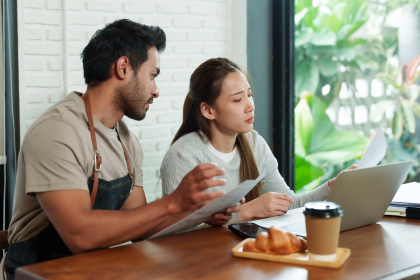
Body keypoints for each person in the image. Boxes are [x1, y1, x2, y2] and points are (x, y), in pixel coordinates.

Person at [1, 20, 241, 279]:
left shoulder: (125, 140)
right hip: (35, 273)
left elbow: (141, 226)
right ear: (123, 67)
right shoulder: (57, 131)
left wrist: (200, 213)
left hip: (92, 270)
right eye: (152, 75)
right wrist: (174, 202)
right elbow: (79, 235)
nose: (156, 90)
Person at [161, 58, 356, 223]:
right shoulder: (183, 155)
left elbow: (290, 204)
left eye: (249, 95)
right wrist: (246, 213)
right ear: (208, 110)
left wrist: (331, 187)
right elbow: (178, 234)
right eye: (237, 100)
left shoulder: (254, 144)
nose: (250, 106)